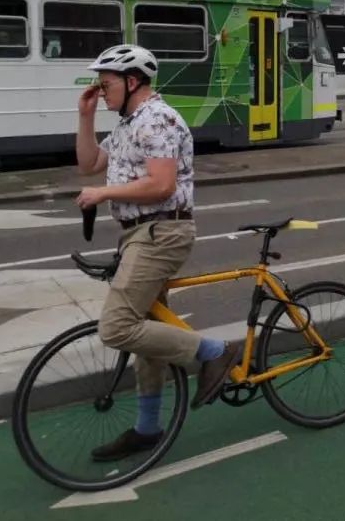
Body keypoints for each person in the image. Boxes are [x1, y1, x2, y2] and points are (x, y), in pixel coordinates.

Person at [76, 44, 244, 462]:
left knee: (116, 327)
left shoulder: (158, 120)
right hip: (139, 234)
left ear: (133, 81)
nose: (102, 89)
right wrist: (85, 116)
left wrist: (104, 193)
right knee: (146, 331)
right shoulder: (129, 122)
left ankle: (215, 352)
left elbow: (161, 184)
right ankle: (147, 429)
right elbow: (89, 162)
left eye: (108, 82)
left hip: (162, 232)